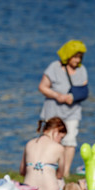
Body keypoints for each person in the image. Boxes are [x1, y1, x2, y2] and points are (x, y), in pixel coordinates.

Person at [39, 40, 88, 177]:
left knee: (70, 141)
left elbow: (84, 90)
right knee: (50, 140)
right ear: (68, 55)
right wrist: (57, 96)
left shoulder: (82, 70)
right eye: (75, 56)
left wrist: (73, 97)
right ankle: (48, 170)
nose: (77, 60)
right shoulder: (54, 67)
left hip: (72, 112)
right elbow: (42, 87)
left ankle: (65, 172)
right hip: (53, 111)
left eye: (80, 57)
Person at [20, 117, 67, 190]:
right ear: (56, 131)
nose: (60, 141)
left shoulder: (29, 144)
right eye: (61, 138)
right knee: (60, 181)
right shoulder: (59, 148)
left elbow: (22, 172)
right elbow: (60, 175)